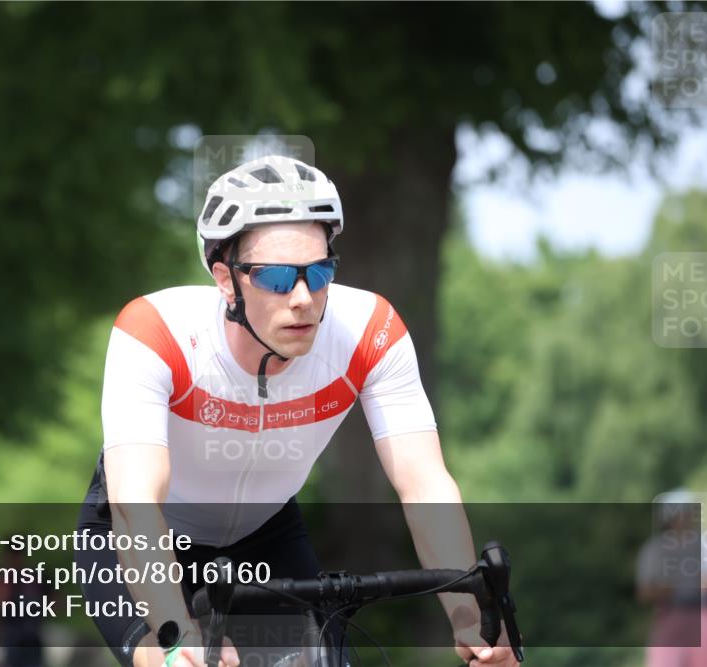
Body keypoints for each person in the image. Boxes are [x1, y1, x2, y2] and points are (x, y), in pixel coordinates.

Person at [74, 155, 519, 667]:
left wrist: (470, 616)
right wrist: (177, 635)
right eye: (279, 277)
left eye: (320, 271)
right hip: (139, 539)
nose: (305, 298)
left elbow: (424, 486)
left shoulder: (369, 332)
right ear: (226, 279)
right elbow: (135, 503)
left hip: (265, 535)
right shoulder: (156, 333)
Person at [637, 489, 707, 667]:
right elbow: (644, 592)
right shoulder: (654, 549)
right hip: (669, 614)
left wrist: (703, 580)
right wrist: (666, 588)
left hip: (702, 614)